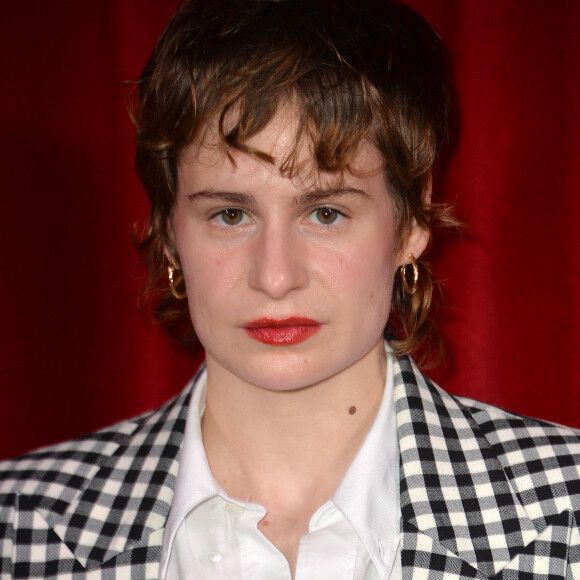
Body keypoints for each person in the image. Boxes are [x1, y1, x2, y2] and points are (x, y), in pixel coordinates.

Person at [1, 0, 579, 578]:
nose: (275, 277)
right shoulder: (18, 524)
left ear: (411, 222)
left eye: (325, 213)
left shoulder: (568, 511)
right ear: (170, 232)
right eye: (230, 215)